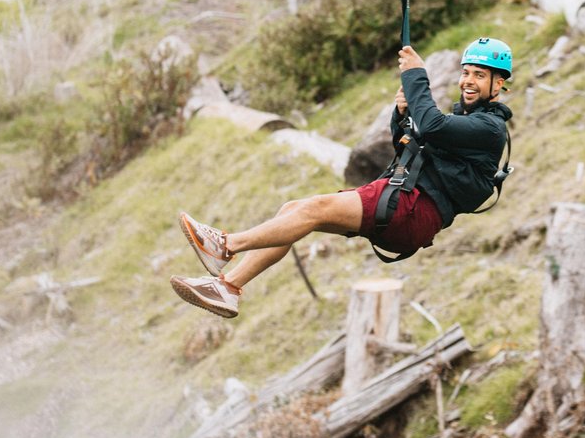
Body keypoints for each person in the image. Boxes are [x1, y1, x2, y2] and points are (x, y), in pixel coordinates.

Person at [169, 38, 514, 318]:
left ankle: (225, 245)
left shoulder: (489, 128)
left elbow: (434, 125)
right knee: (294, 209)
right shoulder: (468, 122)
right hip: (404, 203)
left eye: (479, 75)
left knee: (314, 209)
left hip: (412, 210)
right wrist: (402, 114)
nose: (468, 81)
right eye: (466, 73)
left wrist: (417, 75)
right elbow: (413, 141)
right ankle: (227, 289)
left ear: (499, 83)